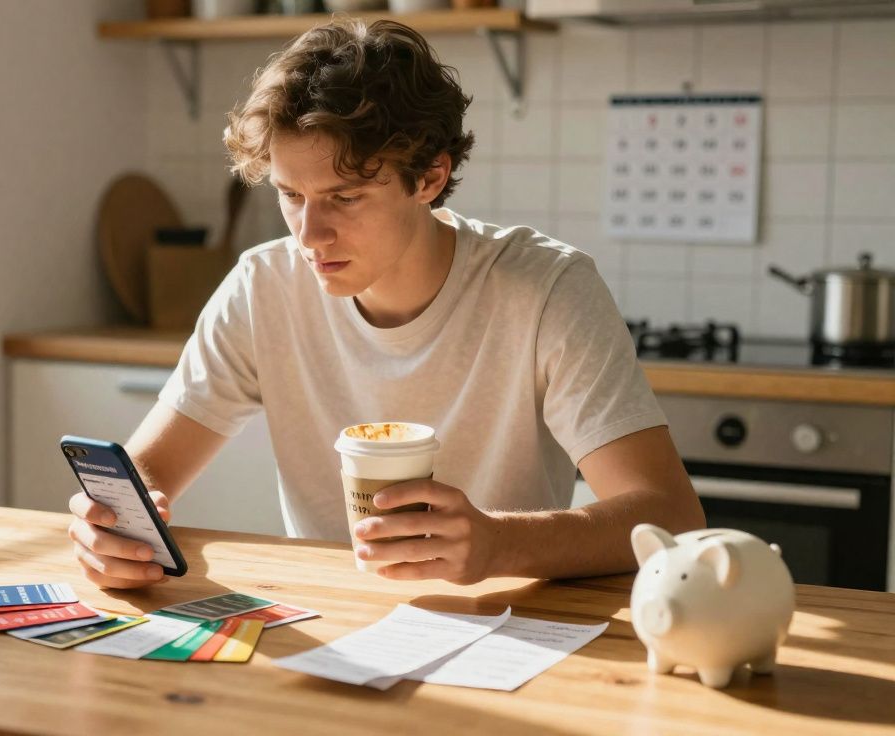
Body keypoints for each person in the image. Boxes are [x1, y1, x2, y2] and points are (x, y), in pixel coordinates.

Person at [68, 18, 705, 589]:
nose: (309, 236)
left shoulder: (547, 289)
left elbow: (667, 513)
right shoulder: (262, 286)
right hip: (331, 622)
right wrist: (114, 528)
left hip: (513, 618)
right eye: (291, 195)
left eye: (345, 198)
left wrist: (496, 543)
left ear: (428, 178)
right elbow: (147, 475)